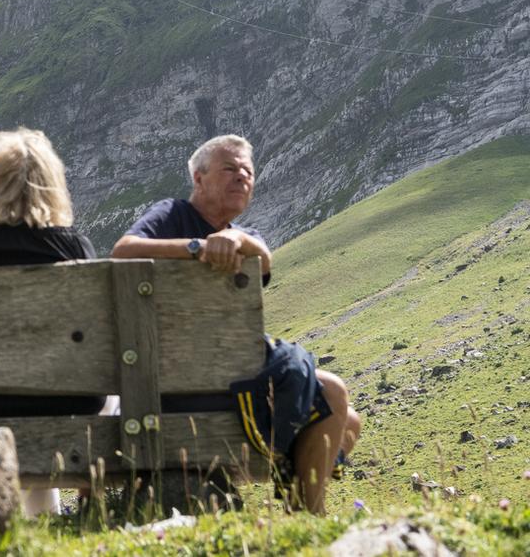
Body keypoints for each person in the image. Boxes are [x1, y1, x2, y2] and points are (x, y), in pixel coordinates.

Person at [111, 134, 361, 514]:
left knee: (350, 423)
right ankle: (310, 516)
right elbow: (122, 252)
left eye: (248, 171)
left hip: (225, 379)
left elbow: (263, 260)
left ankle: (300, 507)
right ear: (199, 178)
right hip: (180, 385)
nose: (242, 176)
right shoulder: (170, 214)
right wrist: (198, 247)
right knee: (333, 394)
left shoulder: (244, 236)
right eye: (230, 168)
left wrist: (233, 237)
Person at [0, 128, 112, 516]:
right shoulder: (73, 246)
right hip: (70, 404)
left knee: (18, 398)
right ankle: (80, 511)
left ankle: (39, 519)